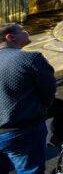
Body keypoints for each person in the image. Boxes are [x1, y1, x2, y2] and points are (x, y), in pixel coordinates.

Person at [0, 23, 56, 174]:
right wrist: (41, 109)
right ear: (10, 37)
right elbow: (48, 92)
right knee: (30, 170)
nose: (27, 32)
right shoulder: (30, 59)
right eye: (22, 30)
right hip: (22, 129)